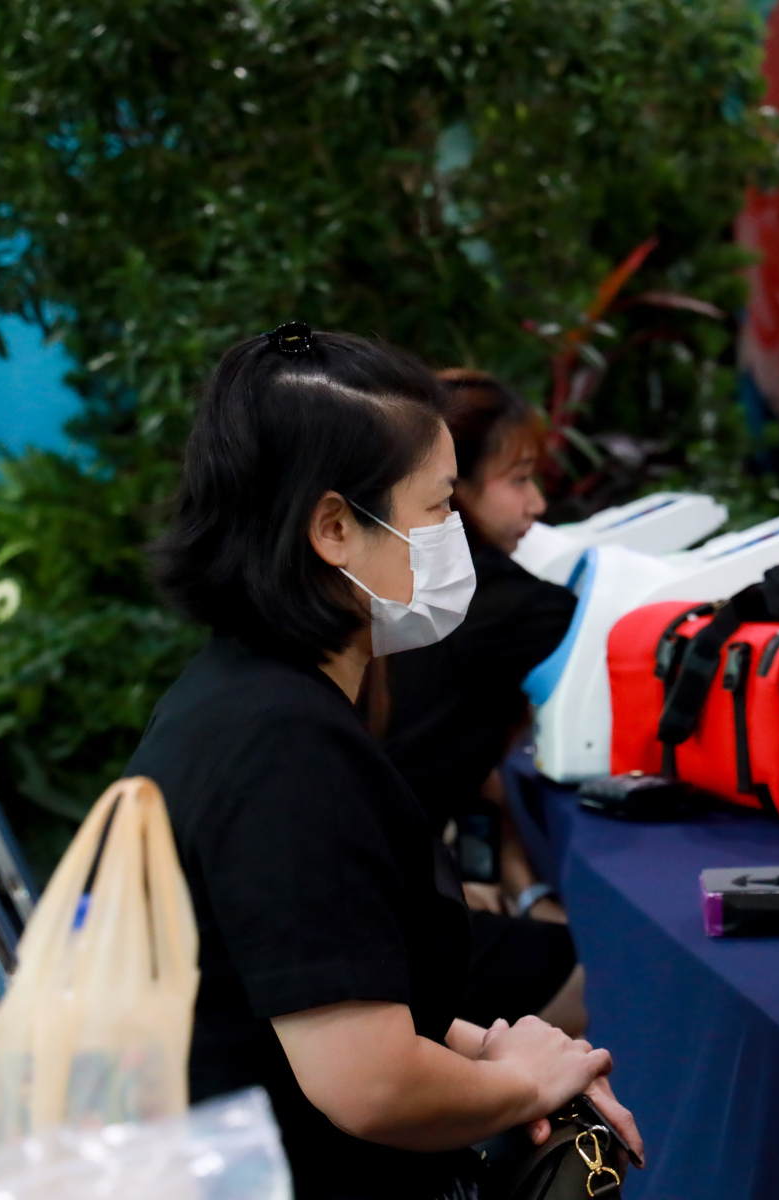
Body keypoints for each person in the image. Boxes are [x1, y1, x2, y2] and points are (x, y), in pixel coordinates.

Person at [127, 326, 640, 1198]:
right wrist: (525, 1084)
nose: (455, 537)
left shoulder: (242, 694)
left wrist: (497, 1049)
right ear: (334, 528)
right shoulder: (283, 747)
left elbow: (330, 991)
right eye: (438, 508)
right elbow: (368, 1084)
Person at [379, 368, 583, 1032]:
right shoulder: (506, 605)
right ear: (453, 488)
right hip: (378, 923)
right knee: (596, 974)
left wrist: (499, 880)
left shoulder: (390, 588)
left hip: (379, 893)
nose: (537, 504)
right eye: (518, 480)